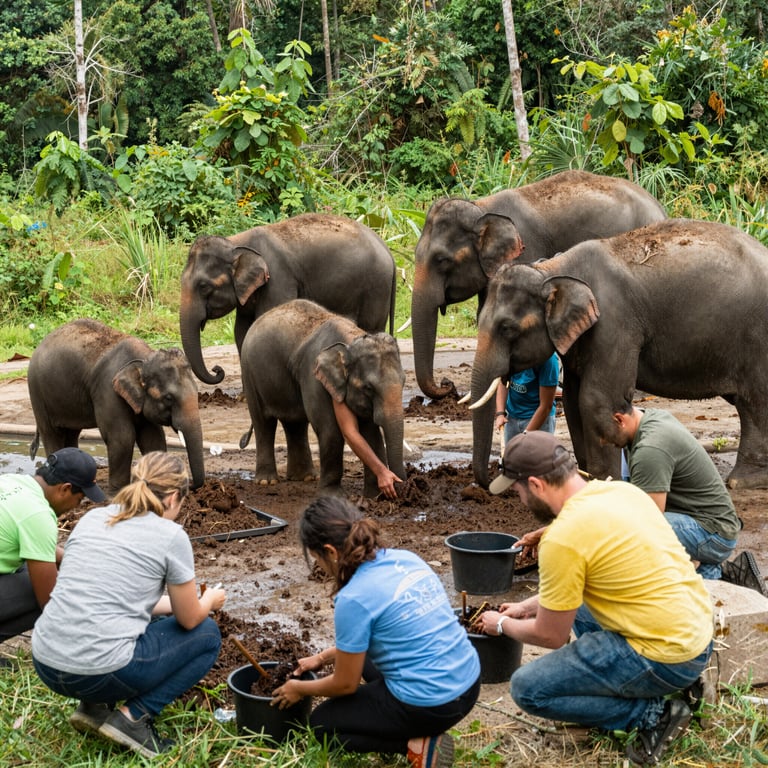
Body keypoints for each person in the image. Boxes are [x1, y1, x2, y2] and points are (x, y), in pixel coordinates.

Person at [477, 432, 714, 766]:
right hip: (698, 637)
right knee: (580, 609)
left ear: (536, 484)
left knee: (528, 689)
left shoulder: (562, 539)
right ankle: (652, 685)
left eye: (517, 490)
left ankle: (652, 713)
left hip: (665, 656)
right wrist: (527, 607)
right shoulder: (621, 491)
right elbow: (597, 577)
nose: (520, 500)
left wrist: (501, 624)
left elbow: (551, 636)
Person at [31, 452, 226, 759]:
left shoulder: (93, 517)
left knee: (144, 624)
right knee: (208, 635)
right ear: (174, 497)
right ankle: (132, 718)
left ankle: (92, 708)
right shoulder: (170, 535)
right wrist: (209, 601)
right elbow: (190, 620)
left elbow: (116, 598)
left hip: (46, 660)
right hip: (98, 670)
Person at [272, 496, 480, 768]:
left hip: (434, 704)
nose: (319, 567)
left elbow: (345, 684)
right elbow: (393, 634)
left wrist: (299, 688)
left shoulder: (353, 598)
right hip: (468, 682)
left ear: (331, 552)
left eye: (316, 559)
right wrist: (322, 659)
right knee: (363, 660)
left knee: (322, 726)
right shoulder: (406, 559)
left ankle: (418, 747)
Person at [609, 404, 765, 594]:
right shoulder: (647, 419)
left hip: (714, 533)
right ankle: (720, 575)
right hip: (707, 522)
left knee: (630, 533)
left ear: (619, 420)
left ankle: (696, 565)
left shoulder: (650, 448)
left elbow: (649, 525)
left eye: (602, 434)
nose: (602, 442)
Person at [0, 447, 105, 646]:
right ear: (65, 489)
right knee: (60, 590)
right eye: (79, 498)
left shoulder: (12, 482)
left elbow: (38, 547)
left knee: (41, 567)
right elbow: (49, 602)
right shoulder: (38, 515)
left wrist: (74, 560)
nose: (76, 506)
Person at [494, 352, 559, 443]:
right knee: (511, 456)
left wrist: (526, 435)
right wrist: (500, 413)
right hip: (512, 418)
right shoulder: (513, 352)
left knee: (535, 456)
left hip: (539, 420)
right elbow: (503, 381)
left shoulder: (548, 360)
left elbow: (546, 406)